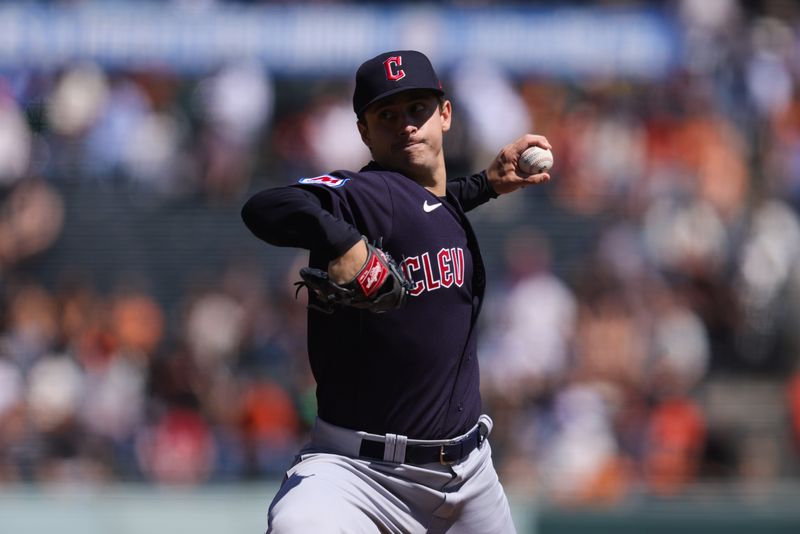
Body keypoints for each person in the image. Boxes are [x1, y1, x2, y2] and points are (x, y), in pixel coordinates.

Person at [241, 50, 551, 534]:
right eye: (386, 115)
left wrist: (485, 185)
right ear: (363, 132)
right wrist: (340, 241)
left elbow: (429, 210)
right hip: (359, 474)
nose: (405, 125)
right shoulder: (362, 195)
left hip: (469, 476)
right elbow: (265, 207)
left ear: (444, 115)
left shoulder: (437, 202)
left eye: (417, 110)